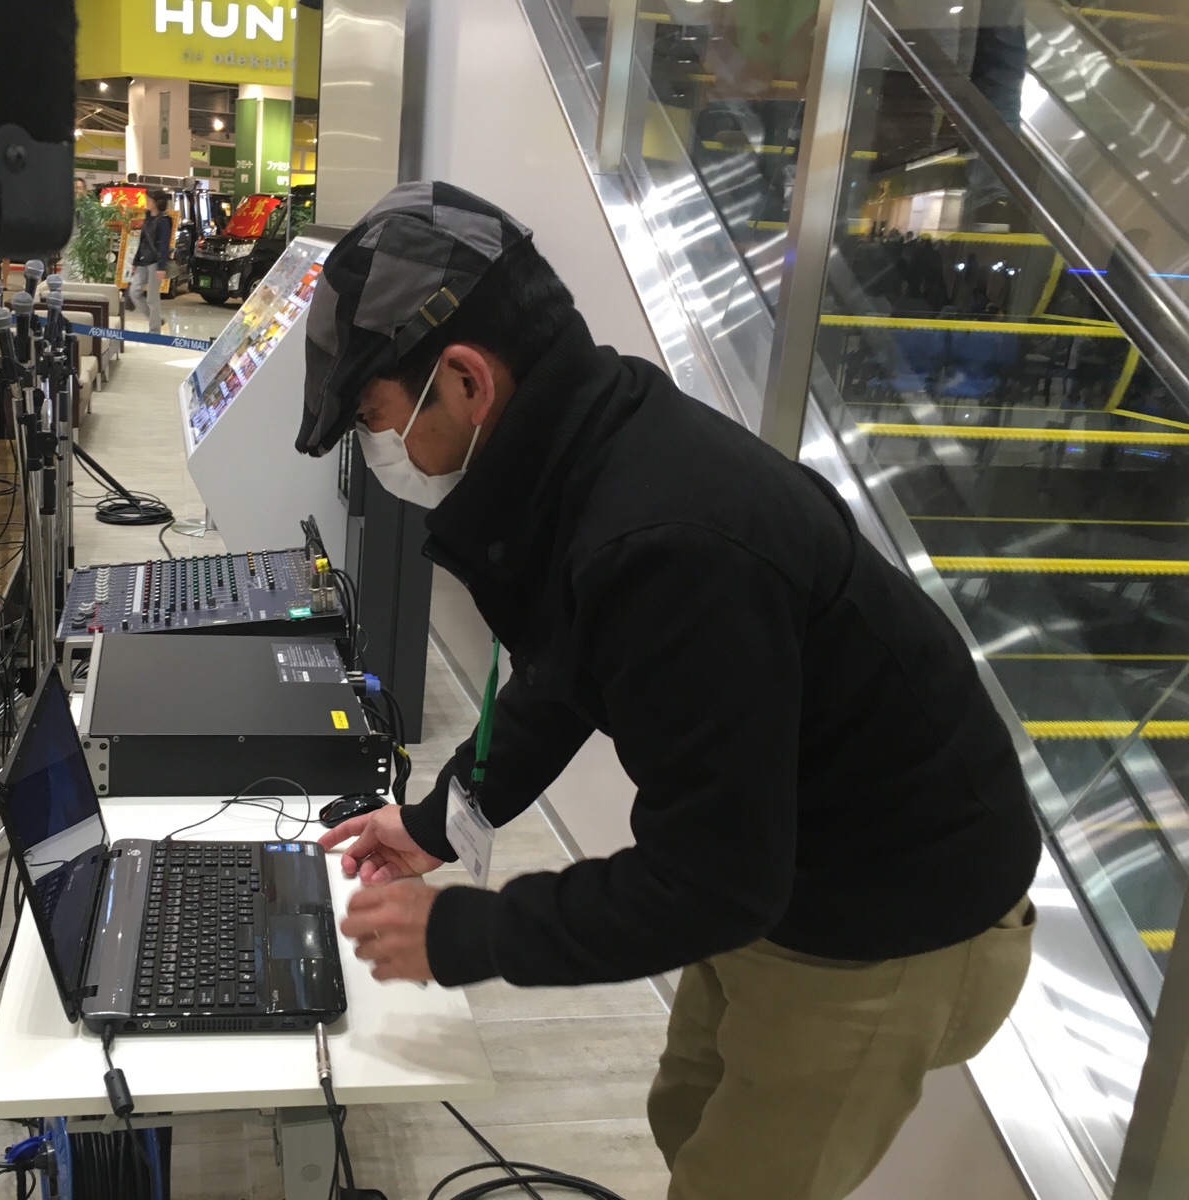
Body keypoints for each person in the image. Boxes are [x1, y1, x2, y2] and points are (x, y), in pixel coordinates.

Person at [295, 183, 1040, 1200]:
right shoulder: (589, 443)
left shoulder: (667, 539)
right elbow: (565, 672)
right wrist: (436, 823)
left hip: (888, 920)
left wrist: (461, 933)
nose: (381, 451)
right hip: (782, 865)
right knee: (682, 1115)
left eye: (376, 420)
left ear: (464, 380)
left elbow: (712, 883)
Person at [129, 189, 173, 334]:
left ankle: (154, 331)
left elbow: (164, 245)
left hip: (155, 263)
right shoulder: (148, 218)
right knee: (134, 292)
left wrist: (161, 266)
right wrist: (135, 261)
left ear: (156, 202)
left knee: (152, 298)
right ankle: (156, 320)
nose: (146, 202)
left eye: (148, 199)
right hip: (143, 261)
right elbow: (142, 241)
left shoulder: (164, 221)